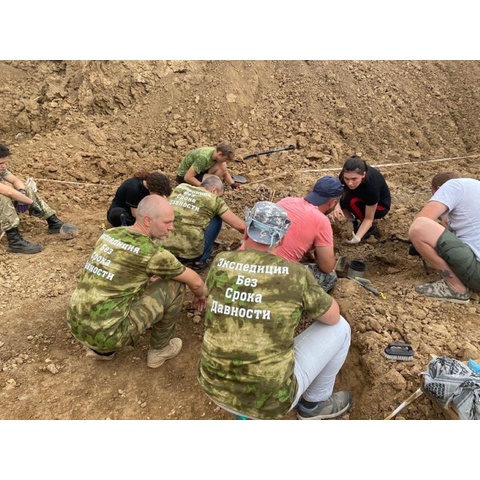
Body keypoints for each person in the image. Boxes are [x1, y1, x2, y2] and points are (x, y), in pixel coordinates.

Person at [197, 201, 352, 420]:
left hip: (213, 386)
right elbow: (332, 316)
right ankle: (314, 404)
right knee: (342, 329)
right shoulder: (295, 274)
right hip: (269, 401)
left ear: (247, 231)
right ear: (281, 239)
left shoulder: (221, 262)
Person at [66, 194, 207, 368]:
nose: (171, 227)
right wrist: (200, 296)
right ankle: (160, 350)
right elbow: (196, 282)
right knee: (176, 284)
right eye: (167, 222)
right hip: (110, 334)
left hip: (76, 324)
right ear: (148, 220)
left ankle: (101, 349)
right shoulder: (152, 253)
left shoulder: (109, 234)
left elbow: (120, 270)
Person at [408, 172, 480, 304]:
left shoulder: (452, 186)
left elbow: (422, 220)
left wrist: (419, 245)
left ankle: (456, 288)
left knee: (419, 227)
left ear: (438, 189)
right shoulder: (474, 188)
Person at [271, 176, 344, 292]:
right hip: (275, 277)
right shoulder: (322, 221)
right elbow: (327, 267)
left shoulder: (286, 201)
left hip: (252, 262)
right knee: (329, 277)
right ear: (333, 203)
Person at [158, 175, 245, 271]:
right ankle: (200, 261)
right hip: (188, 253)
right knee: (217, 218)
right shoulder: (214, 200)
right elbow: (241, 227)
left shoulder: (181, 187)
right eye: (219, 195)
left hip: (161, 247)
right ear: (214, 190)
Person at [0, 143, 69, 254]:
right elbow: (8, 191)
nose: (4, 166)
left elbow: (15, 181)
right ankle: (14, 242)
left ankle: (52, 221)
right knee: (3, 198)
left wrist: (22, 192)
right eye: (1, 163)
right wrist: (31, 203)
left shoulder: (2, 169)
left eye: (4, 162)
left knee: (25, 189)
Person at [332, 155, 391, 244]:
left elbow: (368, 218)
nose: (350, 183)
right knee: (342, 198)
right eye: (346, 179)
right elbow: (337, 192)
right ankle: (352, 222)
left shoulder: (372, 186)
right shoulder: (345, 175)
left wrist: (357, 237)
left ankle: (369, 229)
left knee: (352, 202)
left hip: (380, 206)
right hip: (360, 195)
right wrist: (337, 207)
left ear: (363, 174)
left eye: (354, 179)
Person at [107, 170, 172, 227]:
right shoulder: (134, 188)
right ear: (152, 190)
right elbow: (135, 214)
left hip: (139, 211)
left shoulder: (150, 189)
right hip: (125, 213)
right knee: (118, 214)